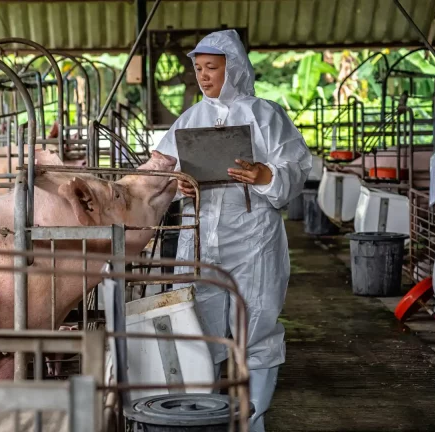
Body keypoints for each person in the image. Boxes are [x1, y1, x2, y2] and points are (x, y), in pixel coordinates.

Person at [154, 29, 312, 432]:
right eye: (199, 69)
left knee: (256, 324)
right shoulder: (190, 118)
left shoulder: (265, 114)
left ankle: (252, 419)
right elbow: (164, 176)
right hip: (201, 236)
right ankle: (205, 417)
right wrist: (180, 187)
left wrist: (265, 175)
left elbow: (296, 169)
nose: (203, 77)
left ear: (235, 69)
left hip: (253, 237)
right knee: (198, 326)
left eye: (212, 68)